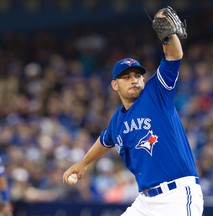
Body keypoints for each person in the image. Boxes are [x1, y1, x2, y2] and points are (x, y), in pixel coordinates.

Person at [63, 6, 204, 216]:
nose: (134, 80)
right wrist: (83, 163)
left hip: (177, 195)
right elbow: (105, 141)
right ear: (115, 85)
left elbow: (174, 56)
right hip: (146, 202)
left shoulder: (156, 94)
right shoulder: (117, 120)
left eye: (137, 75)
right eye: (126, 77)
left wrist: (168, 36)